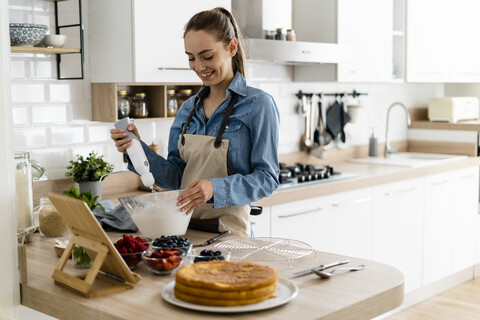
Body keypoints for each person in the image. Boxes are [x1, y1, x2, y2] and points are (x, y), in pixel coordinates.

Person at [110, 7, 279, 237]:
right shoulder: (187, 109)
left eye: (207, 56)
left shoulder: (258, 104)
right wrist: (138, 149)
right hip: (182, 229)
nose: (199, 67)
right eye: (191, 58)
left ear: (231, 47)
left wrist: (214, 188)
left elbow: (267, 179)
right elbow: (175, 178)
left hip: (229, 234)